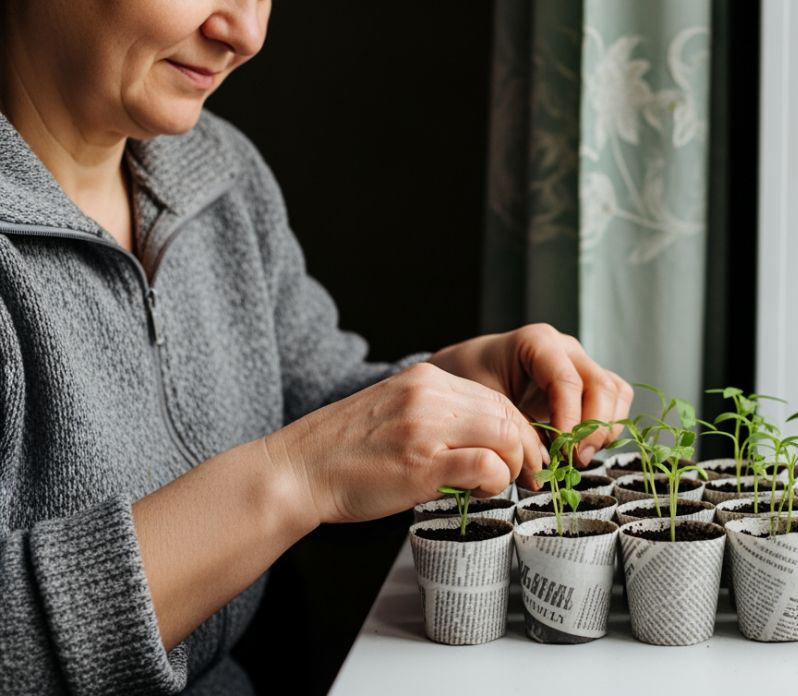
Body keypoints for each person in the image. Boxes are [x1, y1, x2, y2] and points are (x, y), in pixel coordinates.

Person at [0, 2, 634, 694]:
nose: (244, 33)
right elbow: (305, 457)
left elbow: (314, 407)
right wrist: (296, 478)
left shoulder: (222, 175)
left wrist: (464, 382)